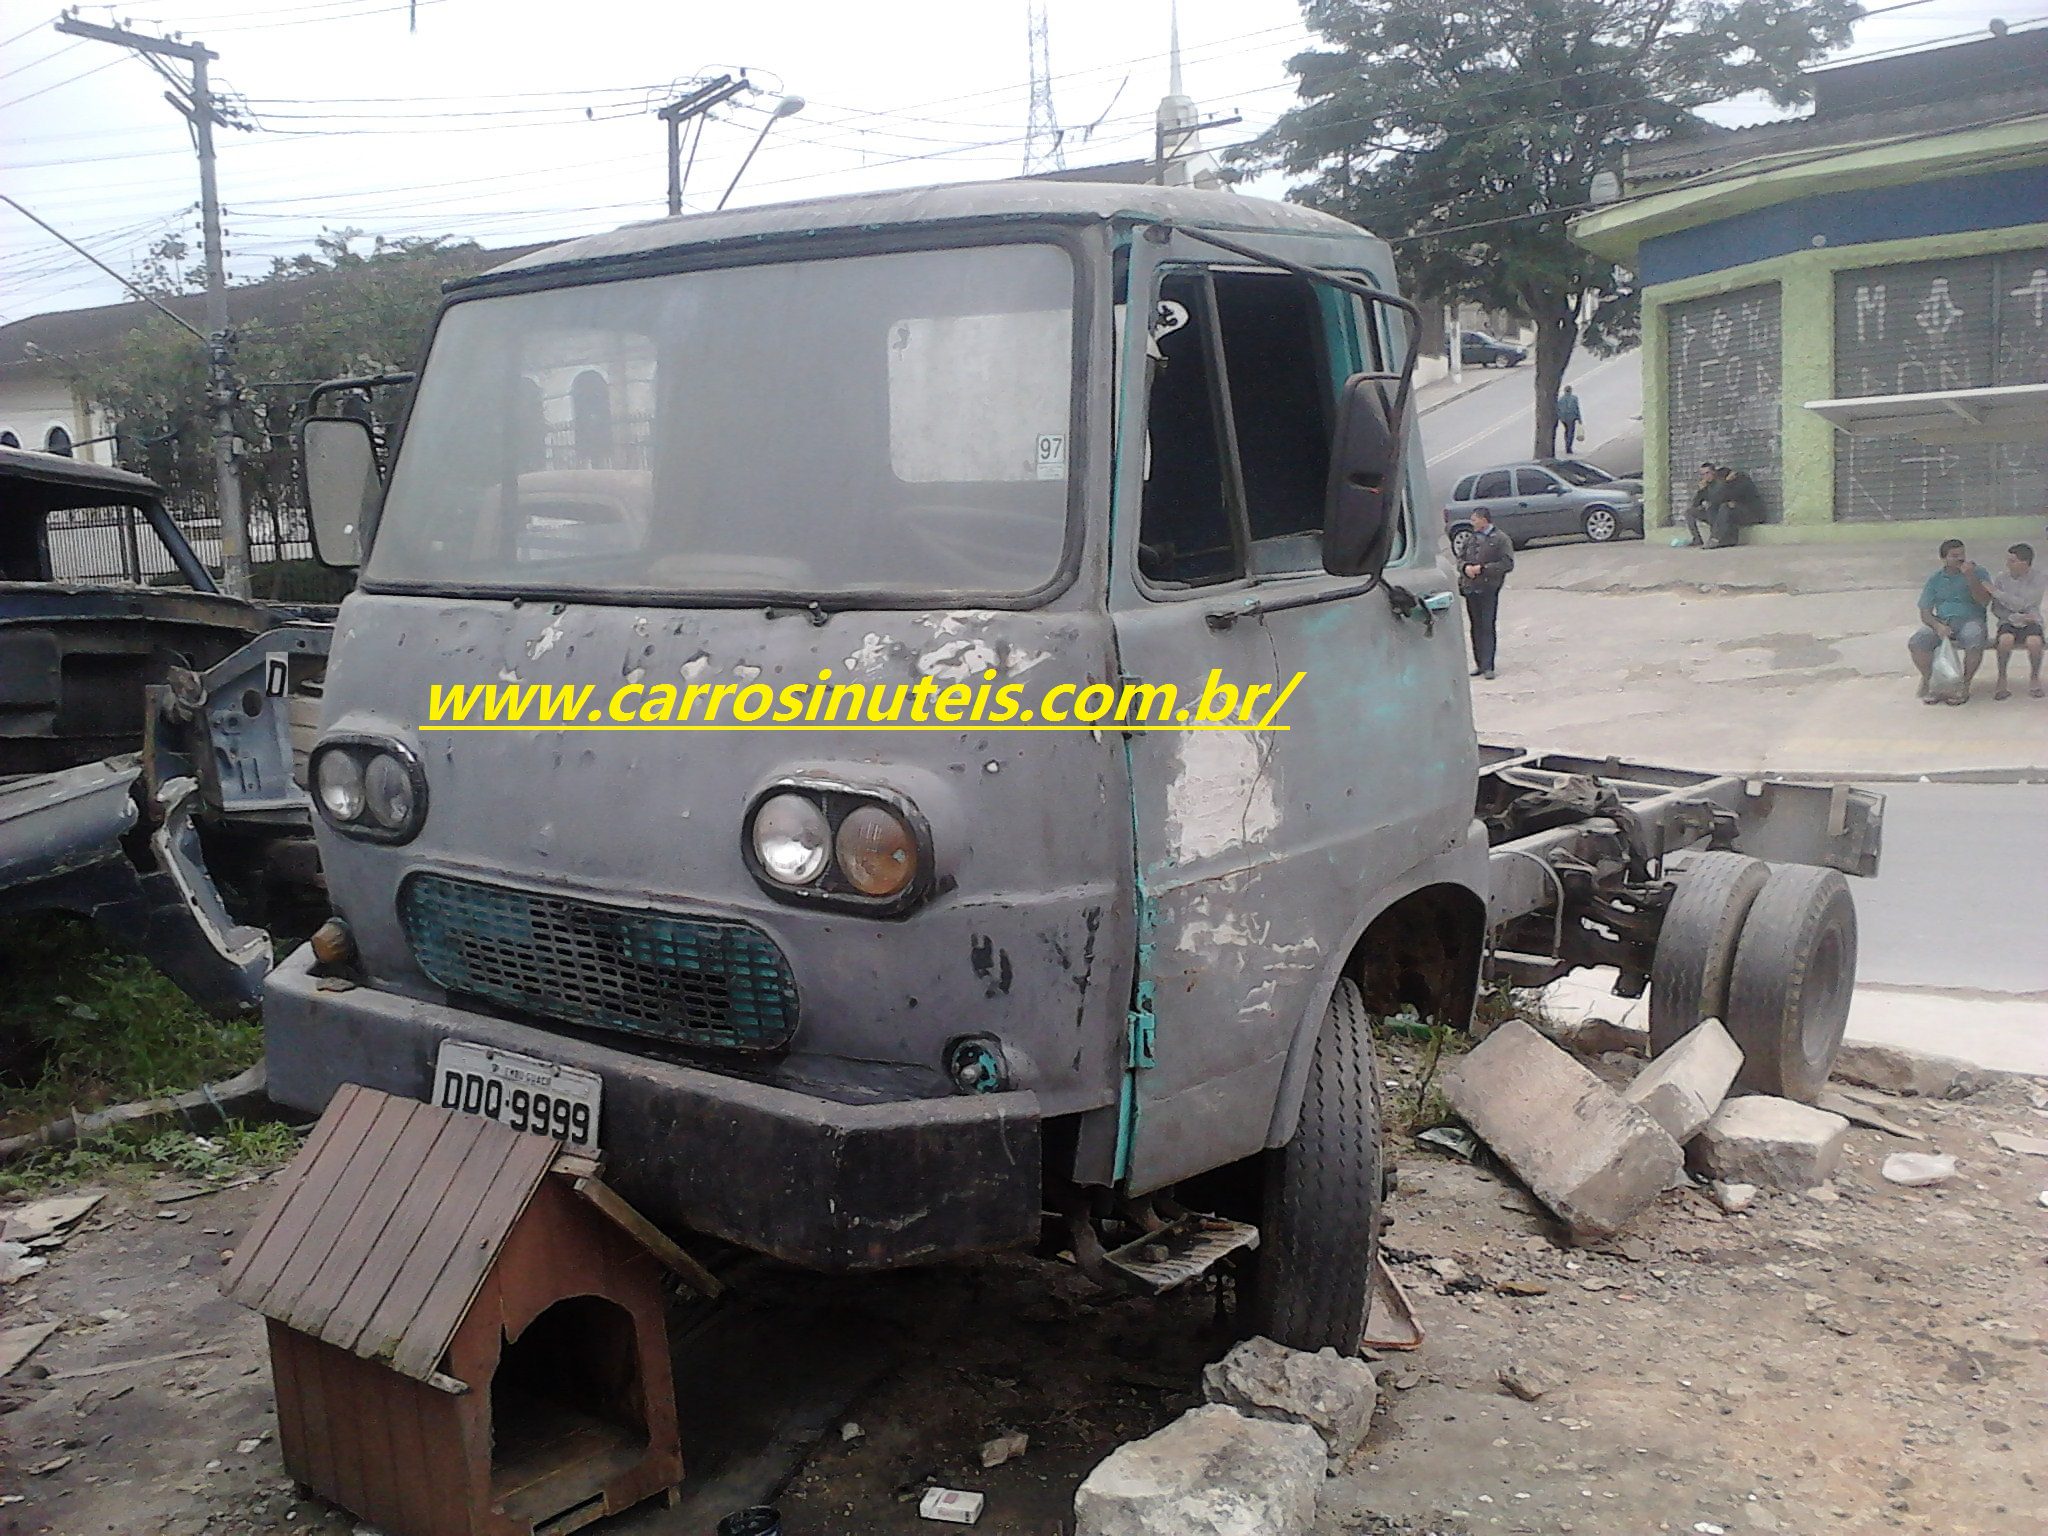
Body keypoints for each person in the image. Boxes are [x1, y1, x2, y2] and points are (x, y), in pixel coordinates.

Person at [1907, 538, 1991, 705]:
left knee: (1974, 638)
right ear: (1944, 558)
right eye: (1954, 556)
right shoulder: (1935, 579)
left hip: (1971, 619)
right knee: (1917, 641)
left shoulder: (1978, 572)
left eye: (1962, 554)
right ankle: (1932, 681)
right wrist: (1937, 625)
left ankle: (1964, 684)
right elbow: (1925, 611)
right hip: (1943, 621)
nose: (1960, 559)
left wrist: (1970, 577)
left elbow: (1984, 601)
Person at [1460, 507, 1515, 680]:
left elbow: (1507, 563)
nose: (1472, 522)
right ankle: (1479, 664)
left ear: (1484, 520)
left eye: (1475, 519)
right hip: (1471, 588)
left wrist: (1483, 569)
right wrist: (1465, 568)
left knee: (1487, 625)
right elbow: (1460, 558)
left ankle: (1488, 665)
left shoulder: (1500, 539)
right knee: (1475, 626)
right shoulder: (1470, 539)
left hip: (1489, 588)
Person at [1988, 541, 2046, 700]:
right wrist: (2014, 616)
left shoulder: (2039, 578)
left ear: (2025, 563)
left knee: (2034, 642)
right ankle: (2002, 677)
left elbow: (2026, 603)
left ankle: (2034, 677)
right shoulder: (2001, 578)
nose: (2008, 564)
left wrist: (1997, 593)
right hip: (2008, 620)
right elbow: (1996, 608)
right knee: (2005, 640)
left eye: (2012, 561)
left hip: (2031, 621)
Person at [1703, 465, 1761, 548]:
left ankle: (1717, 538)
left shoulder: (1743, 481)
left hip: (1753, 514)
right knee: (1713, 508)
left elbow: (1732, 495)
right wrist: (1703, 490)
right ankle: (1717, 537)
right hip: (1737, 512)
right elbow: (1716, 500)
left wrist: (1725, 483)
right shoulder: (1727, 484)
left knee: (1725, 507)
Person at [1682, 461, 1716, 547]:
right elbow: (1696, 503)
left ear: (1713, 472)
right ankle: (1697, 539)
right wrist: (1701, 491)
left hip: (1720, 513)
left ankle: (1714, 538)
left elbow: (1717, 499)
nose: (1706, 476)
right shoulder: (1705, 485)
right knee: (1689, 512)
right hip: (1710, 514)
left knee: (1711, 509)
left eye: (1708, 473)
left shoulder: (1719, 483)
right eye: (1703, 474)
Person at [1554, 385, 1583, 454]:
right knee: (1571, 431)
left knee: (1566, 430)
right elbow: (1576, 408)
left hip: (1563, 418)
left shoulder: (1561, 399)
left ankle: (1567, 443)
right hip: (1571, 417)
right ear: (1571, 391)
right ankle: (1569, 446)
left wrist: (1559, 417)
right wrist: (1579, 418)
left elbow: (1558, 409)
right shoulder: (1574, 398)